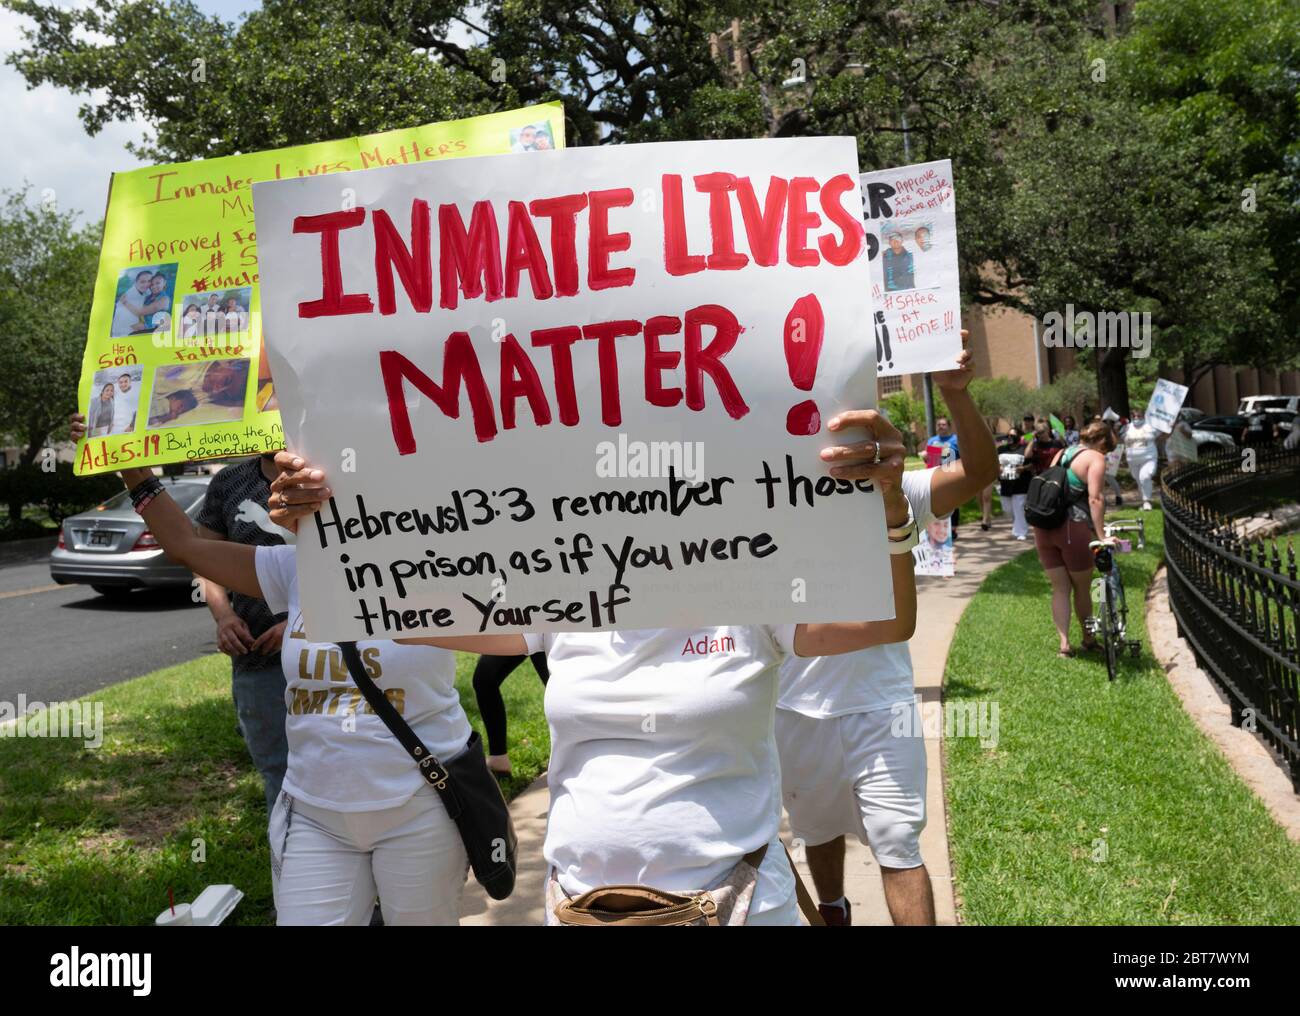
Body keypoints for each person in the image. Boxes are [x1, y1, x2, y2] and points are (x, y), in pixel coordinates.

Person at [70, 416, 470, 926]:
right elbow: (186, 546)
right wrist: (130, 467)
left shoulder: (447, 568)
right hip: (314, 814)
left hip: (422, 807)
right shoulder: (294, 568)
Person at [774, 339, 998, 926]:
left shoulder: (895, 483)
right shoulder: (760, 500)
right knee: (816, 832)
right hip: (793, 705)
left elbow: (980, 472)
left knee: (898, 845)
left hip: (882, 704)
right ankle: (833, 907)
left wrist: (956, 395)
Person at [195, 454, 296, 815]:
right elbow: (203, 558)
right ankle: (289, 864)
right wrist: (223, 615)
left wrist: (299, 625)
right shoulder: (228, 482)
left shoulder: (326, 472)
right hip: (258, 659)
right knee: (279, 771)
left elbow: (353, 560)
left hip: (333, 658)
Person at [1034, 421, 1116, 657]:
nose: (1106, 455)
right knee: (1082, 587)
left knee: (1060, 588)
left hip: (1043, 527)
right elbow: (1095, 499)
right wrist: (1101, 536)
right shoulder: (1094, 459)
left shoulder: (1061, 453)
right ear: (1101, 443)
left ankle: (1064, 645)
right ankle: (1088, 639)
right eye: (1107, 450)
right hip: (1072, 528)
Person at [472, 653, 550, 776]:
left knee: (554, 683)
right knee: (485, 678)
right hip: (518, 633)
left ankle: (578, 752)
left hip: (548, 634)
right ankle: (498, 758)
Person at [924, 416, 961, 539]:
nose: (940, 426)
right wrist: (925, 457)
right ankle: (937, 530)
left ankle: (953, 529)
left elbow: (962, 457)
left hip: (951, 475)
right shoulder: (932, 440)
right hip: (934, 475)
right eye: (939, 424)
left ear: (949, 426)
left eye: (943, 424)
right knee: (936, 502)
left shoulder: (955, 439)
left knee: (953, 502)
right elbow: (928, 457)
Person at [997, 425, 1030, 539]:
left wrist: (1023, 468)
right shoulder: (1001, 449)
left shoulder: (1024, 449)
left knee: (1019, 507)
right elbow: (995, 463)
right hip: (1005, 483)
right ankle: (1019, 523)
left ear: (1019, 436)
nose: (1010, 437)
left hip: (1020, 483)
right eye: (1008, 435)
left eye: (1013, 435)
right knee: (1007, 508)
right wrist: (998, 468)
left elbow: (1032, 463)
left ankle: (1021, 532)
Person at [1120, 411, 1159, 510]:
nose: (1136, 417)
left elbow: (1163, 435)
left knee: (1145, 477)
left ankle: (1147, 502)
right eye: (1134, 415)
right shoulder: (1126, 428)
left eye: (1139, 415)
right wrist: (1114, 428)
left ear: (1144, 416)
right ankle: (1144, 500)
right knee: (1139, 480)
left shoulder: (1151, 426)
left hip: (1148, 458)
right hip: (1132, 460)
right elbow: (1119, 440)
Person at [111, 270, 152, 336]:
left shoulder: (145, 291)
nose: (146, 284)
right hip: (123, 333)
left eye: (149, 281)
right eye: (142, 282)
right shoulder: (131, 295)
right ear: (136, 282)